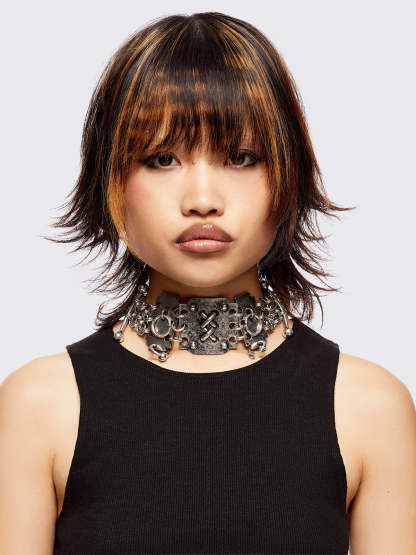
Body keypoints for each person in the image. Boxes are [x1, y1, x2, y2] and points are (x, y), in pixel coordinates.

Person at [1, 11, 415, 555]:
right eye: (162, 158)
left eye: (240, 158)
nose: (202, 199)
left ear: (289, 173)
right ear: (110, 177)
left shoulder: (370, 407)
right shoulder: (38, 405)